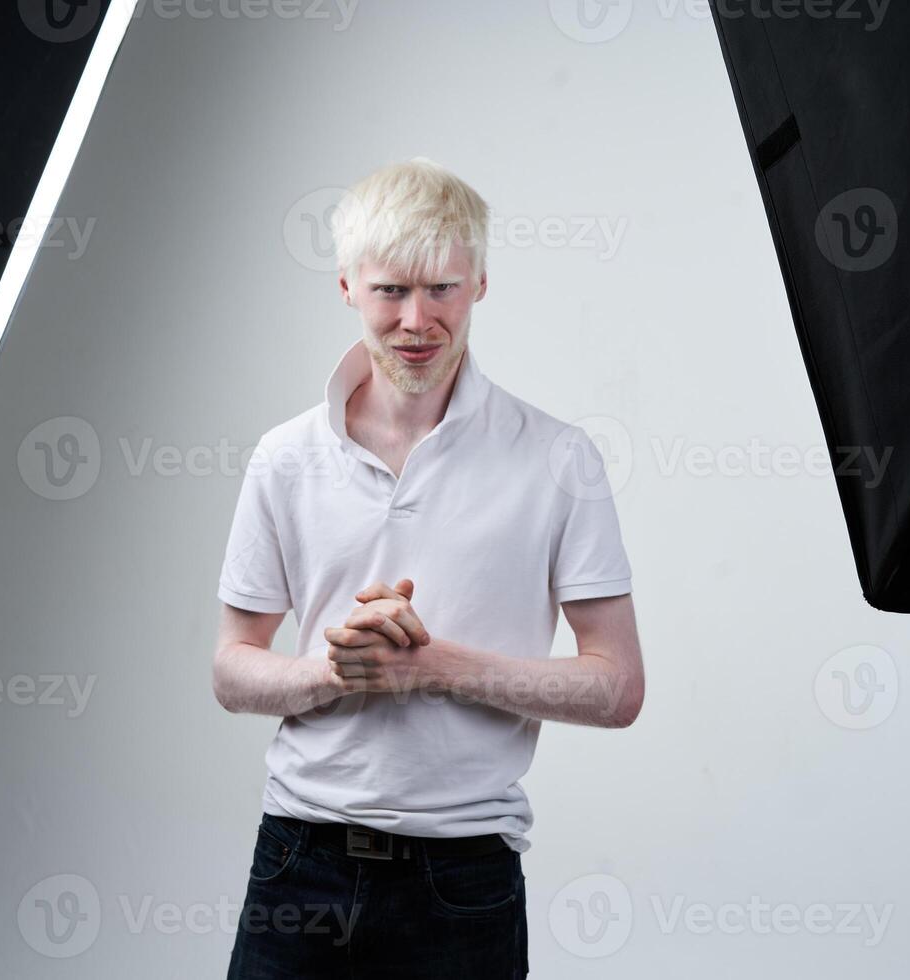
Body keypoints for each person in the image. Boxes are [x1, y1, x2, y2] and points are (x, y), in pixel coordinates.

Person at [213, 156, 644, 978]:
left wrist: (432, 665)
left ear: (480, 282)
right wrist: (340, 672)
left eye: (442, 289)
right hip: (297, 860)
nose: (417, 320)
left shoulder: (559, 459)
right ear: (347, 285)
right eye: (391, 291)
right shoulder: (284, 458)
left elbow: (618, 688)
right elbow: (232, 672)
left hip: (464, 875)